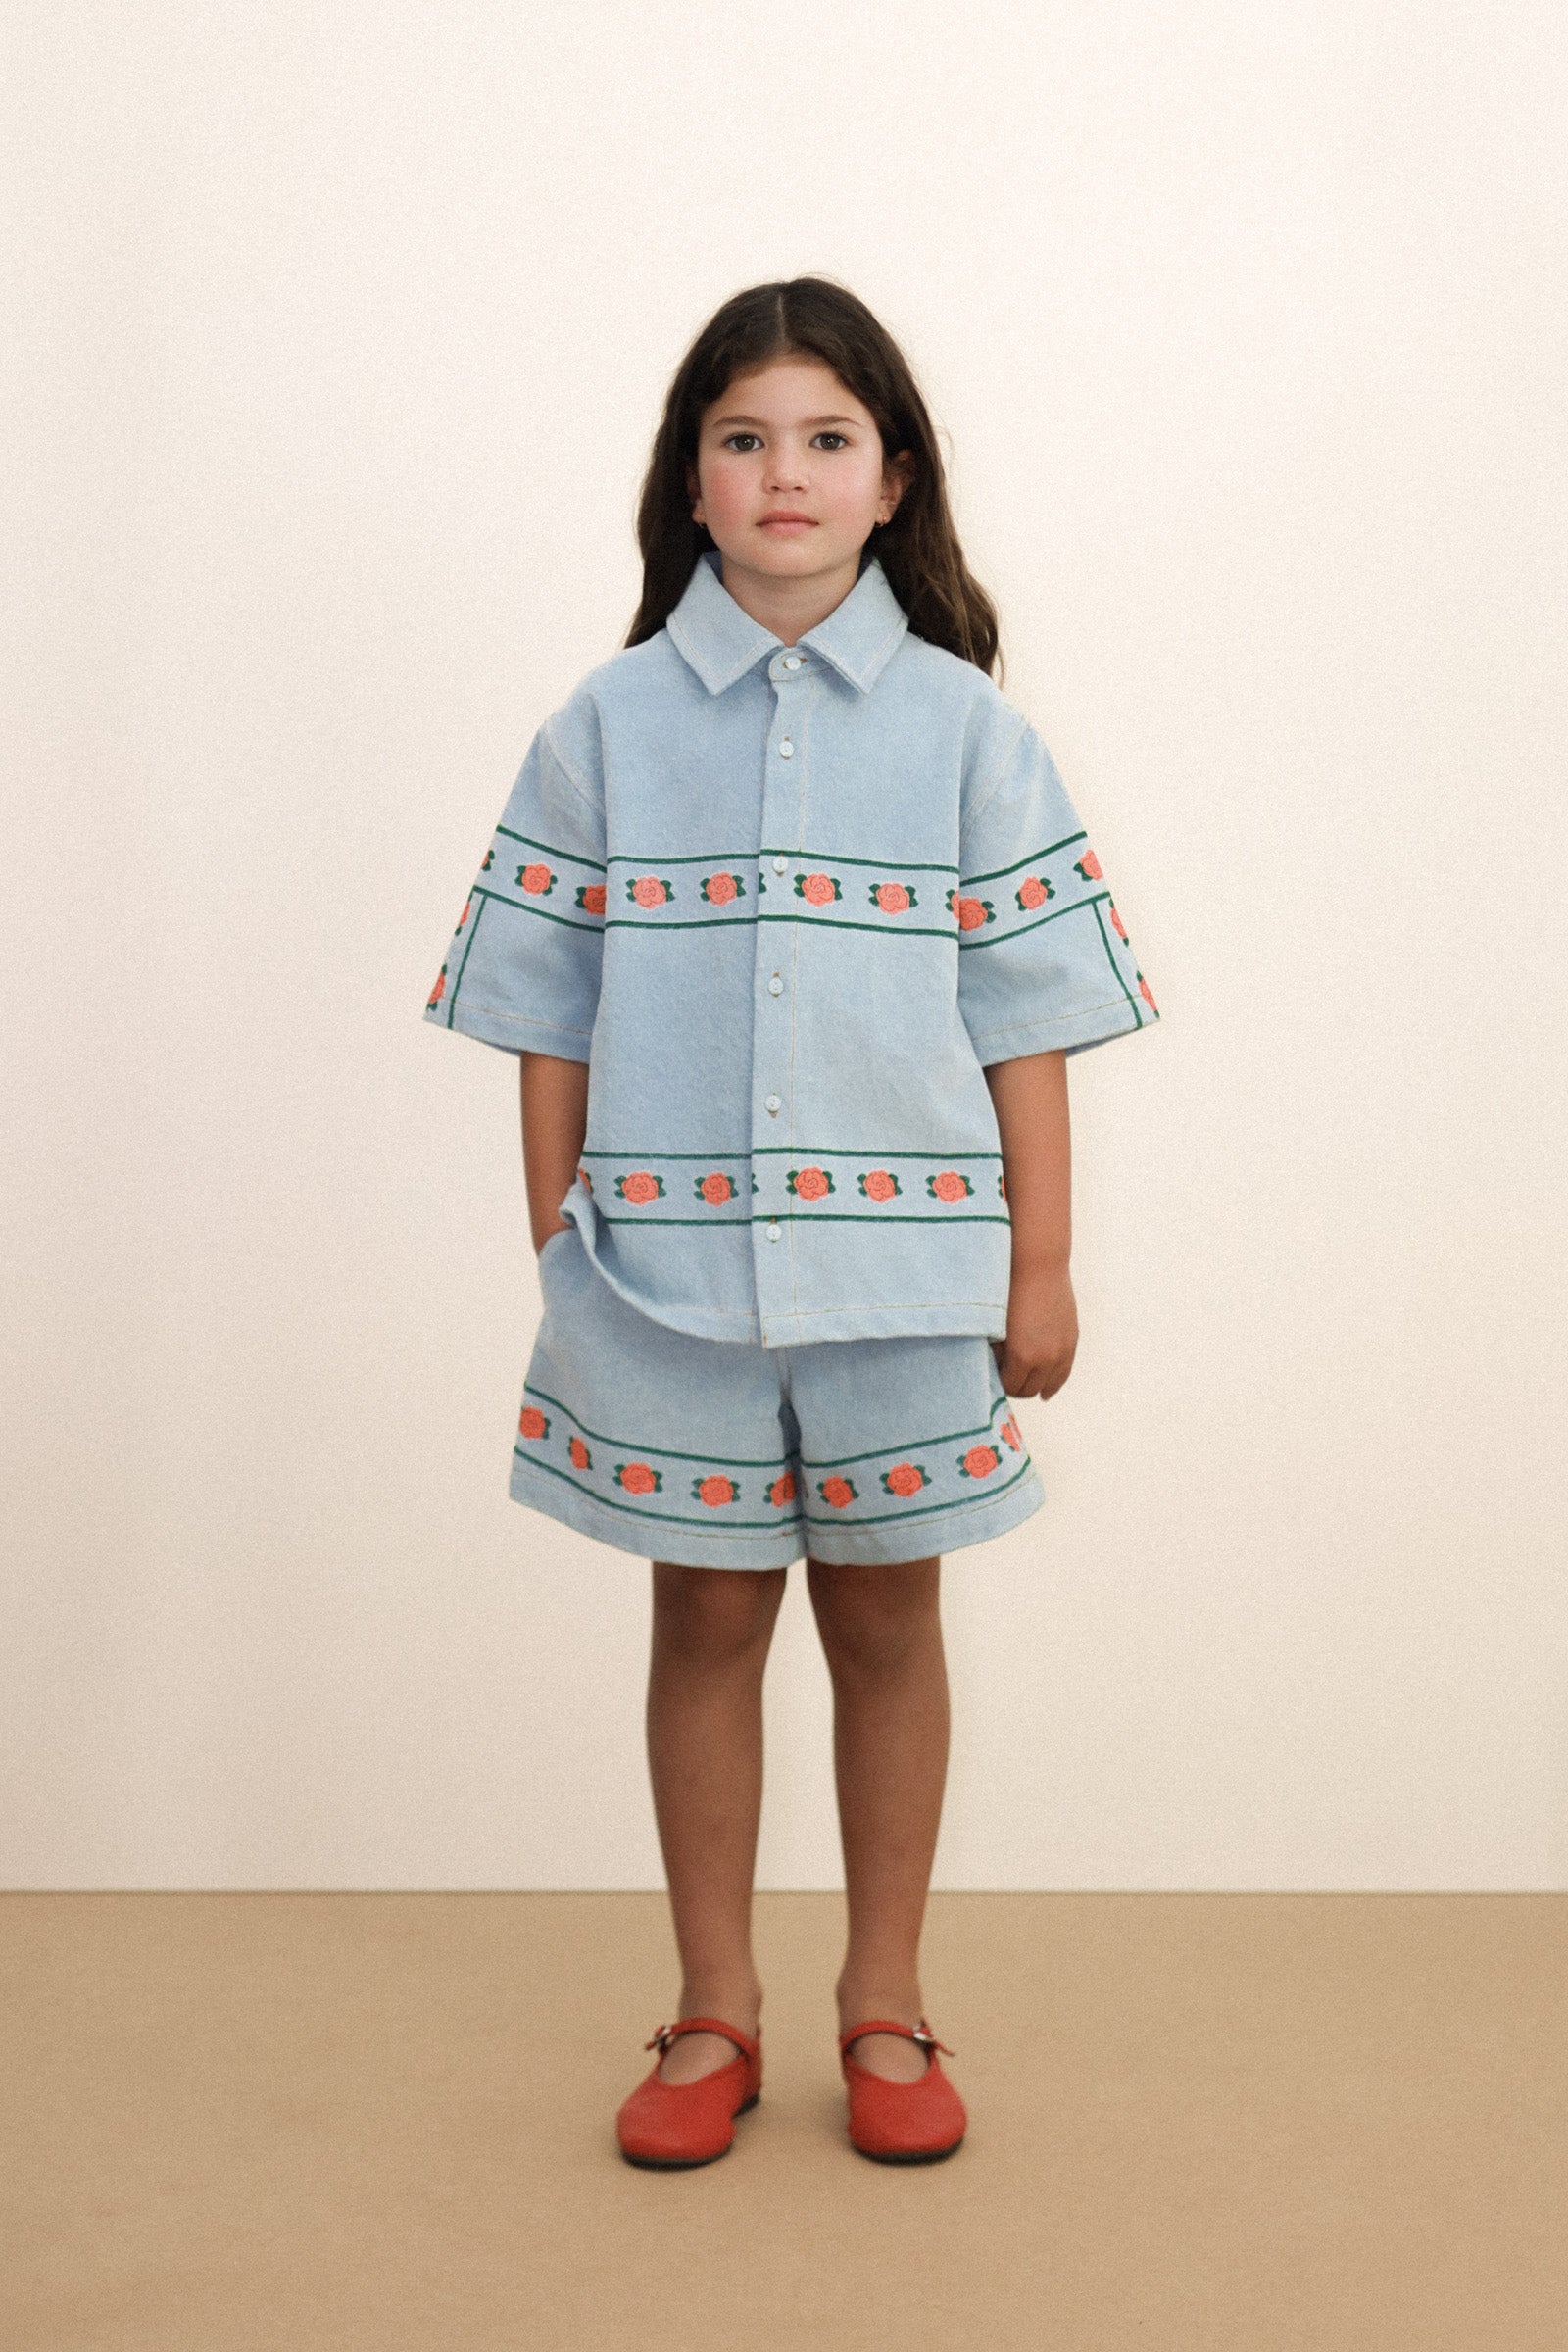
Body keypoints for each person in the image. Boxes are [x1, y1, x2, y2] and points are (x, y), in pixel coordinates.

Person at [423, 277, 1158, 2170]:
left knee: (892, 1620)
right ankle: (712, 2012)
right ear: (690, 480)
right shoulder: (602, 727)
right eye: (744, 439)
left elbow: (1026, 1019)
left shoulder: (970, 733)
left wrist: (1043, 1264)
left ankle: (885, 2006)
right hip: (657, 1281)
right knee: (704, 1619)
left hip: (909, 1279)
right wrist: (558, 1250)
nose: (785, 474)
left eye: (828, 439)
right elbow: (547, 1011)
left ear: (893, 479)